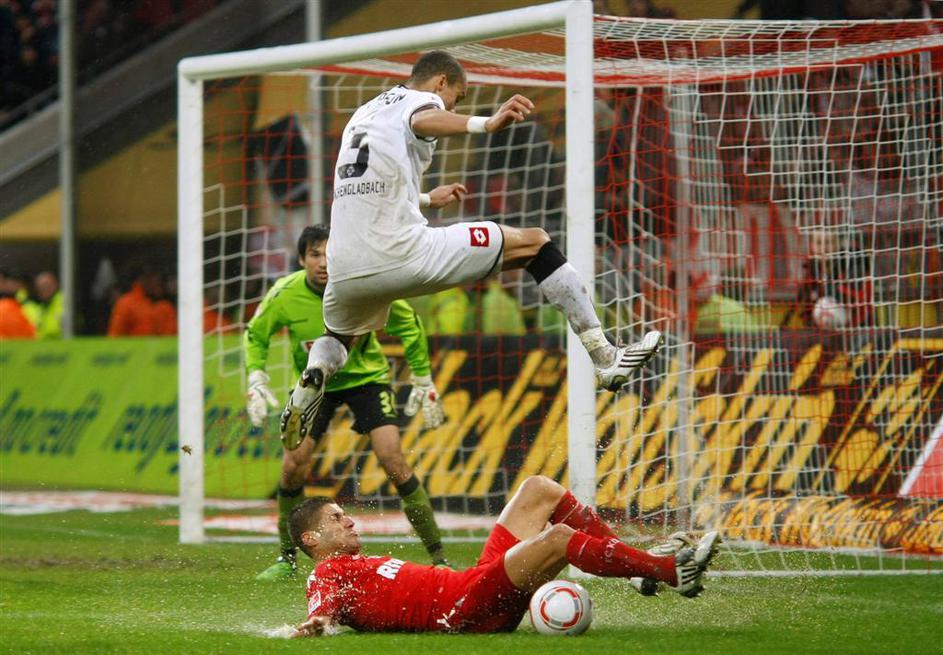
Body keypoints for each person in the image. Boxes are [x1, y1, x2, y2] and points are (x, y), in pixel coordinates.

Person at [281, 51, 664, 447]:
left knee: (340, 336)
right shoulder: (420, 101)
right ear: (440, 82)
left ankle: (315, 374)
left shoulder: (364, 113)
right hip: (404, 252)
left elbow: (363, 184)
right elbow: (423, 118)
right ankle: (605, 357)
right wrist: (485, 123)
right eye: (457, 97)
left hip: (344, 268)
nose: (451, 105)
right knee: (535, 242)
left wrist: (425, 198)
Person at [246, 225, 450, 580]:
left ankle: (439, 557)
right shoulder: (284, 294)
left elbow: (410, 324)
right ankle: (286, 559)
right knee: (293, 465)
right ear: (301, 259)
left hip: (366, 380)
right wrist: (255, 378)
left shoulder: (362, 287)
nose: (323, 263)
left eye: (330, 254)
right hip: (316, 384)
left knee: (393, 460)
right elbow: (255, 334)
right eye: (315, 255)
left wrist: (422, 377)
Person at [288, 475, 720, 636]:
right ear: (311, 538)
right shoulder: (327, 574)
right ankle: (670, 571)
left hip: (472, 585)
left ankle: (636, 574)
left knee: (539, 489)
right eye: (336, 518)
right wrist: (314, 626)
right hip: (465, 610)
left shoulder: (352, 566)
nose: (349, 521)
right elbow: (322, 613)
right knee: (559, 538)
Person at [22, 271, 64, 338]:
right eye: (40, 286)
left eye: (47, 285)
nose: (43, 288)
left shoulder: (65, 302)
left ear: (56, 285)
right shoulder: (36, 306)